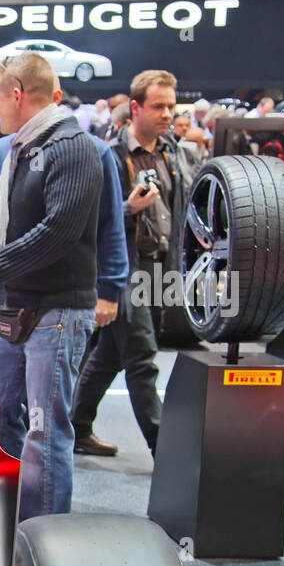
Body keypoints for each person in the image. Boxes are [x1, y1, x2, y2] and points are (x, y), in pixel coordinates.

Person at [0, 53, 104, 521]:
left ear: (17, 95)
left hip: (56, 313)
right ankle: (2, 524)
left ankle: (43, 542)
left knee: (47, 434)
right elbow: (4, 221)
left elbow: (59, 232)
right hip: (15, 307)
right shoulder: (22, 147)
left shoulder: (73, 147)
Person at [72, 70, 185, 461]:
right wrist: (128, 207)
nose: (167, 114)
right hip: (121, 268)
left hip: (158, 266)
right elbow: (91, 218)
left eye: (171, 106)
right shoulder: (109, 154)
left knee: (111, 355)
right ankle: (165, 450)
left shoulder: (172, 152)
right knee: (140, 356)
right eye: (159, 106)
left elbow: (177, 211)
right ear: (135, 107)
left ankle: (76, 426)